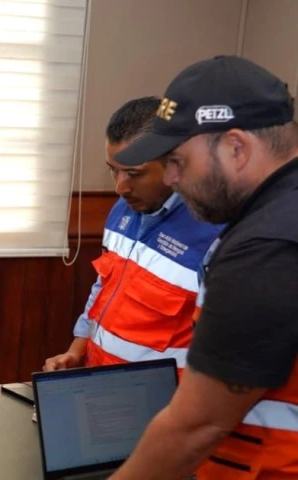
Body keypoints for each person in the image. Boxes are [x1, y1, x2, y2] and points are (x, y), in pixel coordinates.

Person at [108, 55, 298, 479]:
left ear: (236, 148)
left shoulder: (266, 248)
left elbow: (196, 426)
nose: (171, 178)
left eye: (177, 161)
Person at [43, 97, 222, 372]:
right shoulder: (122, 209)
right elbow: (104, 287)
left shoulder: (214, 234)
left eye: (133, 173)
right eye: (113, 170)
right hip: (100, 379)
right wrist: (76, 351)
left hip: (163, 403)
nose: (120, 187)